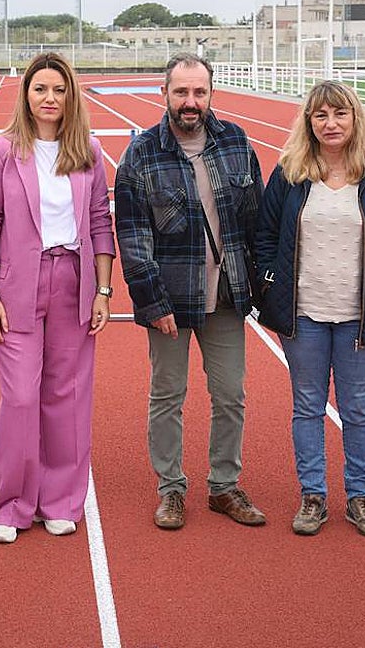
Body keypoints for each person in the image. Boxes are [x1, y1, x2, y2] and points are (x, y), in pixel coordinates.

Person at [254, 81, 365, 538]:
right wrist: (271, 286)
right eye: (321, 115)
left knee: (358, 409)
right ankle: (313, 495)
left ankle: (360, 496)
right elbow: (265, 238)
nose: (331, 124)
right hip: (302, 313)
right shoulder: (290, 173)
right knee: (307, 407)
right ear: (309, 121)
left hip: (361, 316)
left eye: (340, 114)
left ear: (355, 118)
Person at [114, 52, 265, 530]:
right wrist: (153, 302)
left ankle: (224, 486)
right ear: (165, 94)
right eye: (181, 92)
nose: (190, 101)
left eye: (199, 92)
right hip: (172, 301)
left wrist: (262, 291)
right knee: (168, 396)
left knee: (229, 395)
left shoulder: (236, 143)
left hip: (226, 298)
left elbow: (256, 223)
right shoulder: (141, 154)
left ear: (210, 94)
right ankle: (171, 489)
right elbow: (133, 240)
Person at [0, 53, 116, 544]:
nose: (49, 98)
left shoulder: (89, 151)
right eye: (40, 89)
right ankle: (11, 505)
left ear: (71, 95)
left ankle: (59, 500)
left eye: (59, 89)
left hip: (73, 282)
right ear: (26, 95)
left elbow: (100, 222)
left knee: (67, 397)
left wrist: (102, 289)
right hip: (17, 286)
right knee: (20, 397)